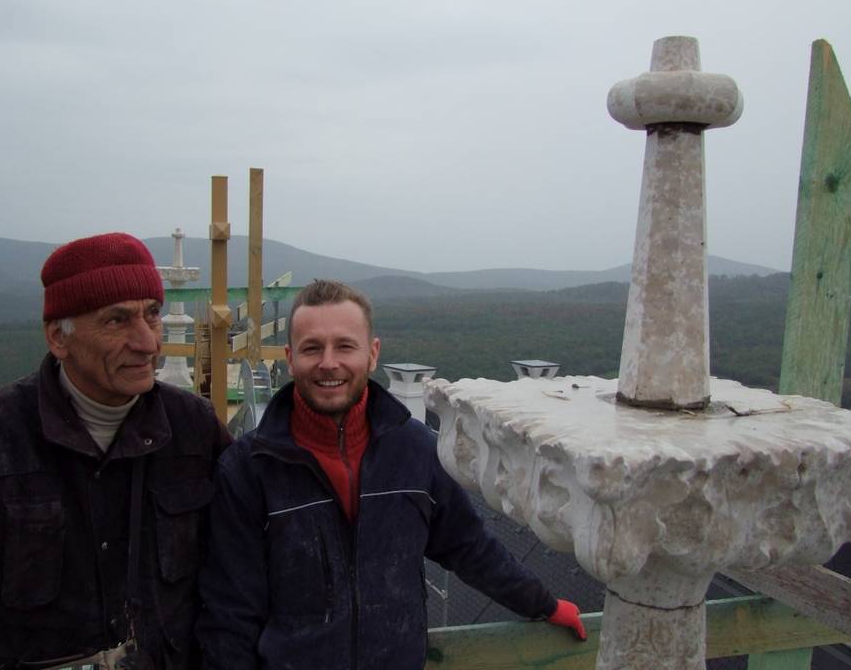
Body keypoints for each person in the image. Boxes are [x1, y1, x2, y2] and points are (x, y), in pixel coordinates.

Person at [196, 279, 586, 670]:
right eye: (312, 348)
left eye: (345, 346)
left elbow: (469, 546)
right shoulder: (249, 469)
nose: (328, 362)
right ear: (290, 357)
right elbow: (230, 613)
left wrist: (543, 604)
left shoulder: (416, 451)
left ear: (372, 354)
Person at [0, 232, 231, 670]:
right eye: (117, 320)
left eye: (152, 314)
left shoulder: (193, 430)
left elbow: (240, 571)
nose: (148, 343)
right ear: (58, 338)